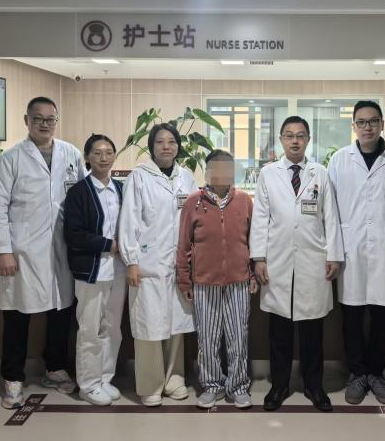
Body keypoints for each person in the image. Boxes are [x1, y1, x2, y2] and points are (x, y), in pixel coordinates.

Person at [0, 96, 85, 409]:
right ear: (26, 120)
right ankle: (13, 377)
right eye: (38, 118)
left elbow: (83, 197)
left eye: (50, 118)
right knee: (18, 314)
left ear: (57, 121)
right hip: (23, 249)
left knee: (61, 311)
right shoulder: (10, 159)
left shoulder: (71, 154)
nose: (45, 124)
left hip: (62, 247)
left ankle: (54, 368)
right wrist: (3, 250)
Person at [250, 116, 343, 412]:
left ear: (308, 140)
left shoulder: (320, 173)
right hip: (277, 261)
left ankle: (314, 385)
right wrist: (258, 258)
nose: (294, 140)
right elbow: (260, 218)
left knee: (312, 331)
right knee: (279, 331)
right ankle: (279, 385)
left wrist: (334, 255)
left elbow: (331, 217)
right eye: (289, 135)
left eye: (300, 135)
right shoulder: (268, 174)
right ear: (281, 140)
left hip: (313, 261)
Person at [327, 100, 385, 405]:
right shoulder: (340, 160)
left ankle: (376, 374)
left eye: (373, 121)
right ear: (353, 126)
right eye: (362, 122)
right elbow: (330, 211)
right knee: (351, 318)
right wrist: (334, 252)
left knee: (382, 318)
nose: (368, 127)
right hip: (350, 250)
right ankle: (356, 374)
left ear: (382, 124)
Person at [118, 123, 197, 407]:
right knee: (149, 325)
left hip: (179, 263)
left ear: (178, 146)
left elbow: (195, 219)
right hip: (148, 262)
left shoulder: (186, 177)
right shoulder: (139, 177)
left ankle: (174, 379)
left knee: (176, 324)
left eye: (172, 141)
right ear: (152, 147)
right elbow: (129, 220)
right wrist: (131, 261)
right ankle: (150, 384)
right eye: (160, 142)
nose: (166, 146)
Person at [176, 150, 258, 410]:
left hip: (238, 281)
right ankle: (212, 385)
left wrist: (253, 273)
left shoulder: (244, 201)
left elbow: (253, 241)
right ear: (208, 171)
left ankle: (238, 386)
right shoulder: (193, 202)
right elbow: (183, 245)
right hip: (204, 283)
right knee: (208, 339)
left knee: (238, 336)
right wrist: (184, 280)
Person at [63, 134, 126, 406]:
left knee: (112, 328)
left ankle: (105, 378)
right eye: (97, 153)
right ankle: (88, 384)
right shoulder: (78, 192)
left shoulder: (121, 188)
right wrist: (108, 244)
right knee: (90, 328)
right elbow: (73, 234)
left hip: (119, 270)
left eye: (109, 152)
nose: (103, 157)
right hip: (91, 269)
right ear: (87, 157)